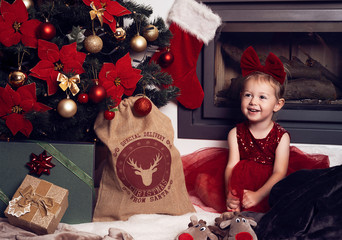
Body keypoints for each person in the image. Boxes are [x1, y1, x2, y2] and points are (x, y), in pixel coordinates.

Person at [225, 46, 289, 213]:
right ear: (241, 97)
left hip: (267, 188)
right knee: (203, 182)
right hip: (240, 185)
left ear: (277, 104)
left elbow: (279, 172)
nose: (253, 102)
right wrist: (229, 192)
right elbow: (231, 166)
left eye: (262, 97)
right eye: (248, 95)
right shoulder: (235, 133)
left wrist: (258, 195)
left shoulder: (281, 136)